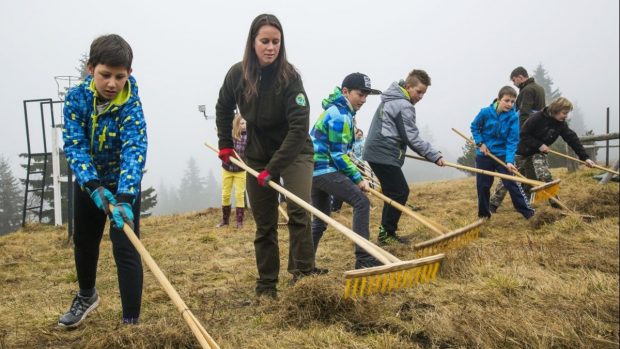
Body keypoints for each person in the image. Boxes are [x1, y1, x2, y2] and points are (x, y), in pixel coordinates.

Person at [215, 14, 321, 299]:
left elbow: (299, 128)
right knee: (265, 222)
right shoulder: (237, 74)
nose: (271, 47)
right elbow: (223, 107)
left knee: (299, 211)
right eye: (265, 41)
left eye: (276, 41)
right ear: (253, 42)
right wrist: (225, 145)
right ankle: (266, 286)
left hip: (295, 152)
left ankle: (302, 278)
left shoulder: (290, 77)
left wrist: (274, 169)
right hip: (258, 156)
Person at [60, 34, 147, 327]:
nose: (112, 83)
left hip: (122, 186)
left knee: (126, 246)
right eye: (105, 75)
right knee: (85, 240)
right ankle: (87, 295)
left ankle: (130, 320)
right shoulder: (76, 99)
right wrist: (93, 186)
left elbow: (134, 149)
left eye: (119, 77)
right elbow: (74, 144)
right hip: (91, 183)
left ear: (129, 74)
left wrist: (124, 198)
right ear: (90, 69)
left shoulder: (131, 105)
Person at [363, 69, 444, 245]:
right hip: (382, 152)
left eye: (424, 93)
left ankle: (386, 233)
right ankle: (387, 234)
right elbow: (411, 137)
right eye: (419, 91)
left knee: (393, 192)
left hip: (378, 151)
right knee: (400, 191)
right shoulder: (403, 104)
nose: (421, 96)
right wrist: (434, 155)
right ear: (408, 87)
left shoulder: (393, 99)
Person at [310, 73, 382, 269]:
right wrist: (358, 178)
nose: (364, 100)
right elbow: (338, 155)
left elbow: (341, 153)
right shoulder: (340, 115)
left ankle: (304, 267)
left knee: (320, 220)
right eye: (360, 94)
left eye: (366, 95)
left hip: (314, 170)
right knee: (361, 202)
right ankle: (364, 259)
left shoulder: (341, 111)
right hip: (323, 169)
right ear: (345, 92)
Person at [470, 86, 535, 219]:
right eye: (507, 100)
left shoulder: (513, 117)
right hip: (484, 154)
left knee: (512, 183)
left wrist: (510, 161)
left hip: (502, 154)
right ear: (499, 99)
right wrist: (480, 143)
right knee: (483, 186)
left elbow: (512, 141)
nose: (510, 104)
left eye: (512, 101)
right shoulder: (485, 112)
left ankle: (528, 213)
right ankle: (484, 215)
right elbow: (475, 127)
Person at [489, 66, 546, 211]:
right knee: (529, 170)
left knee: (512, 169)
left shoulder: (526, 91)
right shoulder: (539, 88)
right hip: (537, 135)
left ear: (520, 77)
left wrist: (519, 134)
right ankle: (528, 199)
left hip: (525, 136)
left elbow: (524, 114)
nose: (514, 84)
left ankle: (494, 203)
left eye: (514, 80)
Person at [516, 97, 596, 195]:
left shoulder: (561, 124)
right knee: (522, 180)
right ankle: (496, 204)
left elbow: (572, 139)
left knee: (545, 175)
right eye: (564, 113)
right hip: (522, 152)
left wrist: (585, 158)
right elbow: (524, 134)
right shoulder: (537, 118)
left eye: (567, 113)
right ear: (556, 110)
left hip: (538, 153)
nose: (566, 116)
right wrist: (539, 145)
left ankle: (555, 203)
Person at [217, 113, 247, 228]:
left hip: (240, 170)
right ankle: (225, 220)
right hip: (227, 168)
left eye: (245, 123)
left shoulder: (248, 137)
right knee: (225, 194)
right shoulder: (230, 136)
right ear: (236, 124)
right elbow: (224, 148)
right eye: (242, 123)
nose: (244, 126)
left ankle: (239, 222)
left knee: (239, 195)